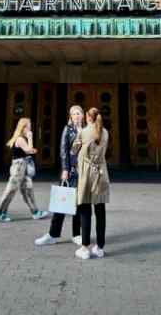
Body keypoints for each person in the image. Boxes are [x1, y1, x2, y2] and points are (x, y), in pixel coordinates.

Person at [35, 105, 84, 247]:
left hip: (84, 173)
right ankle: (52, 235)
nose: (76, 116)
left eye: (78, 113)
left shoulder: (87, 130)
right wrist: (65, 169)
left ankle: (77, 234)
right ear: (70, 116)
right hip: (71, 172)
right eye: (73, 114)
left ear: (82, 115)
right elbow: (64, 151)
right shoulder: (67, 130)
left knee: (80, 205)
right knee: (62, 204)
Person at [72, 107, 110, 260]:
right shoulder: (105, 132)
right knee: (100, 211)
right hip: (101, 173)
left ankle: (85, 248)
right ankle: (100, 247)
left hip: (86, 174)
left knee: (85, 210)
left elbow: (74, 150)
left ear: (88, 117)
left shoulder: (84, 131)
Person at [0, 117, 48, 222]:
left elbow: (28, 151)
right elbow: (28, 151)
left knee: (28, 190)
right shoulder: (20, 139)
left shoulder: (20, 138)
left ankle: (35, 212)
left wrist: (30, 148)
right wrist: (31, 138)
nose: (30, 128)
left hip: (23, 166)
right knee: (11, 190)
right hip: (19, 167)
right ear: (24, 127)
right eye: (29, 126)